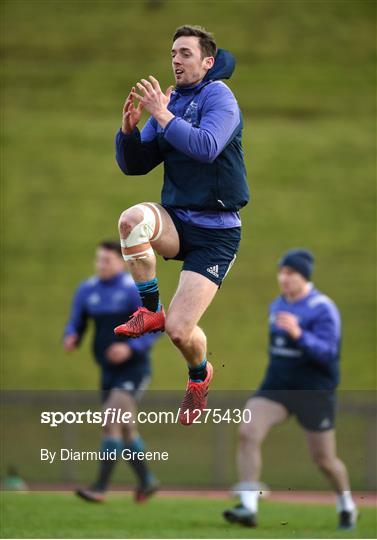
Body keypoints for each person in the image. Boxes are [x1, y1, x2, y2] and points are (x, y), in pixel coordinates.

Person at [114, 25, 249, 425]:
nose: (175, 59)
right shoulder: (169, 102)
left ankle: (198, 376)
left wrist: (162, 113)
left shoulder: (219, 97)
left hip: (217, 233)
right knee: (132, 220)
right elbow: (136, 166)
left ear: (207, 62)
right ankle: (149, 307)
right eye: (173, 52)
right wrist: (128, 132)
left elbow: (206, 147)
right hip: (177, 219)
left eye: (185, 53)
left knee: (179, 331)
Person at [223, 249, 358, 530]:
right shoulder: (277, 305)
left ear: (304, 276)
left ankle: (347, 504)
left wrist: (300, 335)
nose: (283, 278)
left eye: (290, 273)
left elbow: (328, 353)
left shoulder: (323, 307)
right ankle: (248, 506)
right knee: (247, 431)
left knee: (324, 460)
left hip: (314, 390)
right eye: (281, 272)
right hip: (277, 386)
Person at [63, 240, 160, 503]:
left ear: (121, 262)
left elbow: (156, 324)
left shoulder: (131, 290)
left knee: (110, 420)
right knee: (125, 429)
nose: (100, 265)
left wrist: (131, 349)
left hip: (134, 369)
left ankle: (100, 487)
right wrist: (71, 336)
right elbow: (76, 322)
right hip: (107, 371)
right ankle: (147, 481)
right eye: (98, 259)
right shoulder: (87, 290)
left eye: (106, 260)